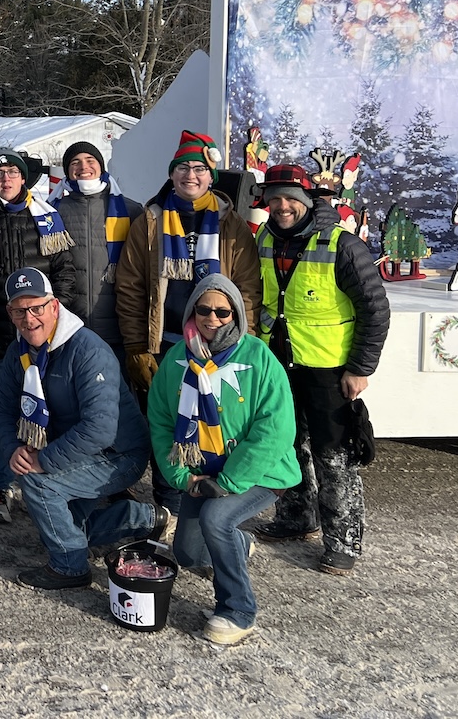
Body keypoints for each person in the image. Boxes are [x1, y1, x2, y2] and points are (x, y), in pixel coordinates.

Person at [249, 163, 388, 575]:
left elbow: (375, 310)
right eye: (274, 199)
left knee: (334, 454)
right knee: (287, 444)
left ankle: (343, 540)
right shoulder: (263, 237)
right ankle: (296, 516)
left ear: (309, 200)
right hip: (279, 362)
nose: (282, 206)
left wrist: (360, 367)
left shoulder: (343, 245)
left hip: (330, 368)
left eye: (291, 198)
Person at [0, 267, 166, 589]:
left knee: (40, 485)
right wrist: (13, 448)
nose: (29, 319)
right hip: (73, 449)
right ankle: (148, 520)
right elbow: (2, 408)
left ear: (54, 306)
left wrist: (43, 461)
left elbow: (99, 428)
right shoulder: (18, 352)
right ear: (10, 313)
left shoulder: (87, 350)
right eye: (19, 311)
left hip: (119, 453)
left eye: (36, 308)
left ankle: (70, 567)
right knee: (66, 528)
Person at [147, 274, 299, 644]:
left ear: (236, 315)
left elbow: (275, 430)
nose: (212, 318)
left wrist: (228, 483)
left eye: (222, 311)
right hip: (201, 473)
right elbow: (161, 421)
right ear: (192, 311)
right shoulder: (175, 360)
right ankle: (236, 544)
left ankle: (238, 611)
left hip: (260, 474)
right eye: (203, 309)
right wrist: (181, 476)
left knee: (217, 518)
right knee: (186, 552)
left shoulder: (259, 358)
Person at [115, 130, 260, 510]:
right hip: (166, 344)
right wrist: (135, 345)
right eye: (182, 168)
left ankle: (215, 506)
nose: (190, 175)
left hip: (220, 346)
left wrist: (244, 341)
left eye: (198, 168)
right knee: (167, 426)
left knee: (220, 424)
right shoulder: (149, 221)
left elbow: (247, 290)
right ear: (171, 174)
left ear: (211, 175)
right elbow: (130, 288)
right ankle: (169, 505)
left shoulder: (232, 225)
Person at [0, 148, 76, 525]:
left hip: (43, 335)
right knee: (2, 414)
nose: (6, 179)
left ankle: (45, 480)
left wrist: (54, 324)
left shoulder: (47, 217)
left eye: (14, 172)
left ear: (24, 178)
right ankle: (1, 486)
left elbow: (64, 272)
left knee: (49, 410)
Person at [52, 140, 142, 353]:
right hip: (70, 330)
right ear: (67, 171)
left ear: (101, 166)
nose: (83, 167)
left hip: (119, 331)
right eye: (75, 162)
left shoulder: (130, 210)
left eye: (90, 160)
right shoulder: (52, 213)